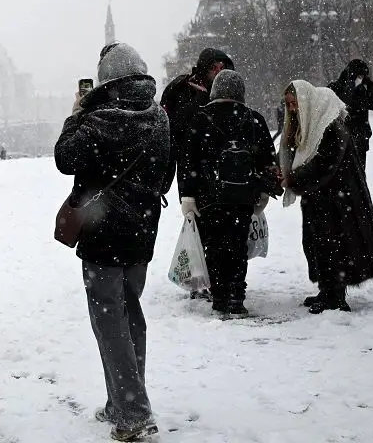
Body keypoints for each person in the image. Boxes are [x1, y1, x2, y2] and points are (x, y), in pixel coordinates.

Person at [54, 43, 169, 442]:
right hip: (142, 235)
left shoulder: (98, 119)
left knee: (110, 323)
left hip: (103, 237)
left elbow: (64, 158)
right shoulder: (160, 118)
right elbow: (165, 175)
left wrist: (76, 114)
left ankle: (133, 413)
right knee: (130, 315)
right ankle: (120, 402)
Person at [280, 80, 373, 313]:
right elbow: (298, 153)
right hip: (321, 197)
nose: (292, 109)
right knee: (319, 244)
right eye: (289, 105)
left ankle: (335, 297)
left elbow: (323, 164)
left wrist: (292, 179)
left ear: (305, 102)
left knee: (334, 245)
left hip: (339, 200)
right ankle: (327, 290)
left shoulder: (331, 126)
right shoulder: (313, 123)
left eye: (295, 104)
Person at [182, 70, 280, 315]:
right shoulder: (254, 119)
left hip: (209, 196)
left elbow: (187, 161)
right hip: (243, 196)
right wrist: (263, 190)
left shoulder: (200, 119)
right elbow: (267, 159)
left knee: (213, 245)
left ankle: (219, 295)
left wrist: (188, 195)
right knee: (237, 245)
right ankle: (236, 295)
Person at [161, 47, 233, 300]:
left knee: (226, 224)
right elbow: (172, 127)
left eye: (222, 66)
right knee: (199, 221)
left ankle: (222, 279)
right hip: (192, 166)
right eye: (214, 67)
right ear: (204, 68)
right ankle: (203, 277)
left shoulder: (229, 88)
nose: (219, 71)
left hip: (224, 168)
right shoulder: (182, 89)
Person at [328, 59, 373, 172]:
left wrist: (370, 88)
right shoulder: (337, 87)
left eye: (363, 76)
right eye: (359, 75)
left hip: (360, 137)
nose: (361, 79)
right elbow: (337, 102)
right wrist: (351, 88)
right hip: (340, 139)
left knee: (359, 174)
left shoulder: (365, 87)